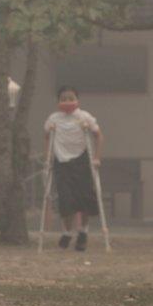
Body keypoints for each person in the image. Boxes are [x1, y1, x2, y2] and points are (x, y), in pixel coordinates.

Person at [44, 86, 104, 252]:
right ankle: (67, 233)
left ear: (77, 100)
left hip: (82, 160)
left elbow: (98, 135)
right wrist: (47, 159)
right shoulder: (54, 119)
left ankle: (83, 233)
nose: (67, 102)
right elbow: (47, 137)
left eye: (71, 98)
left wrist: (97, 157)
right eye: (63, 99)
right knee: (66, 200)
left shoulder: (84, 116)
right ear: (58, 101)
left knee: (84, 198)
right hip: (62, 162)